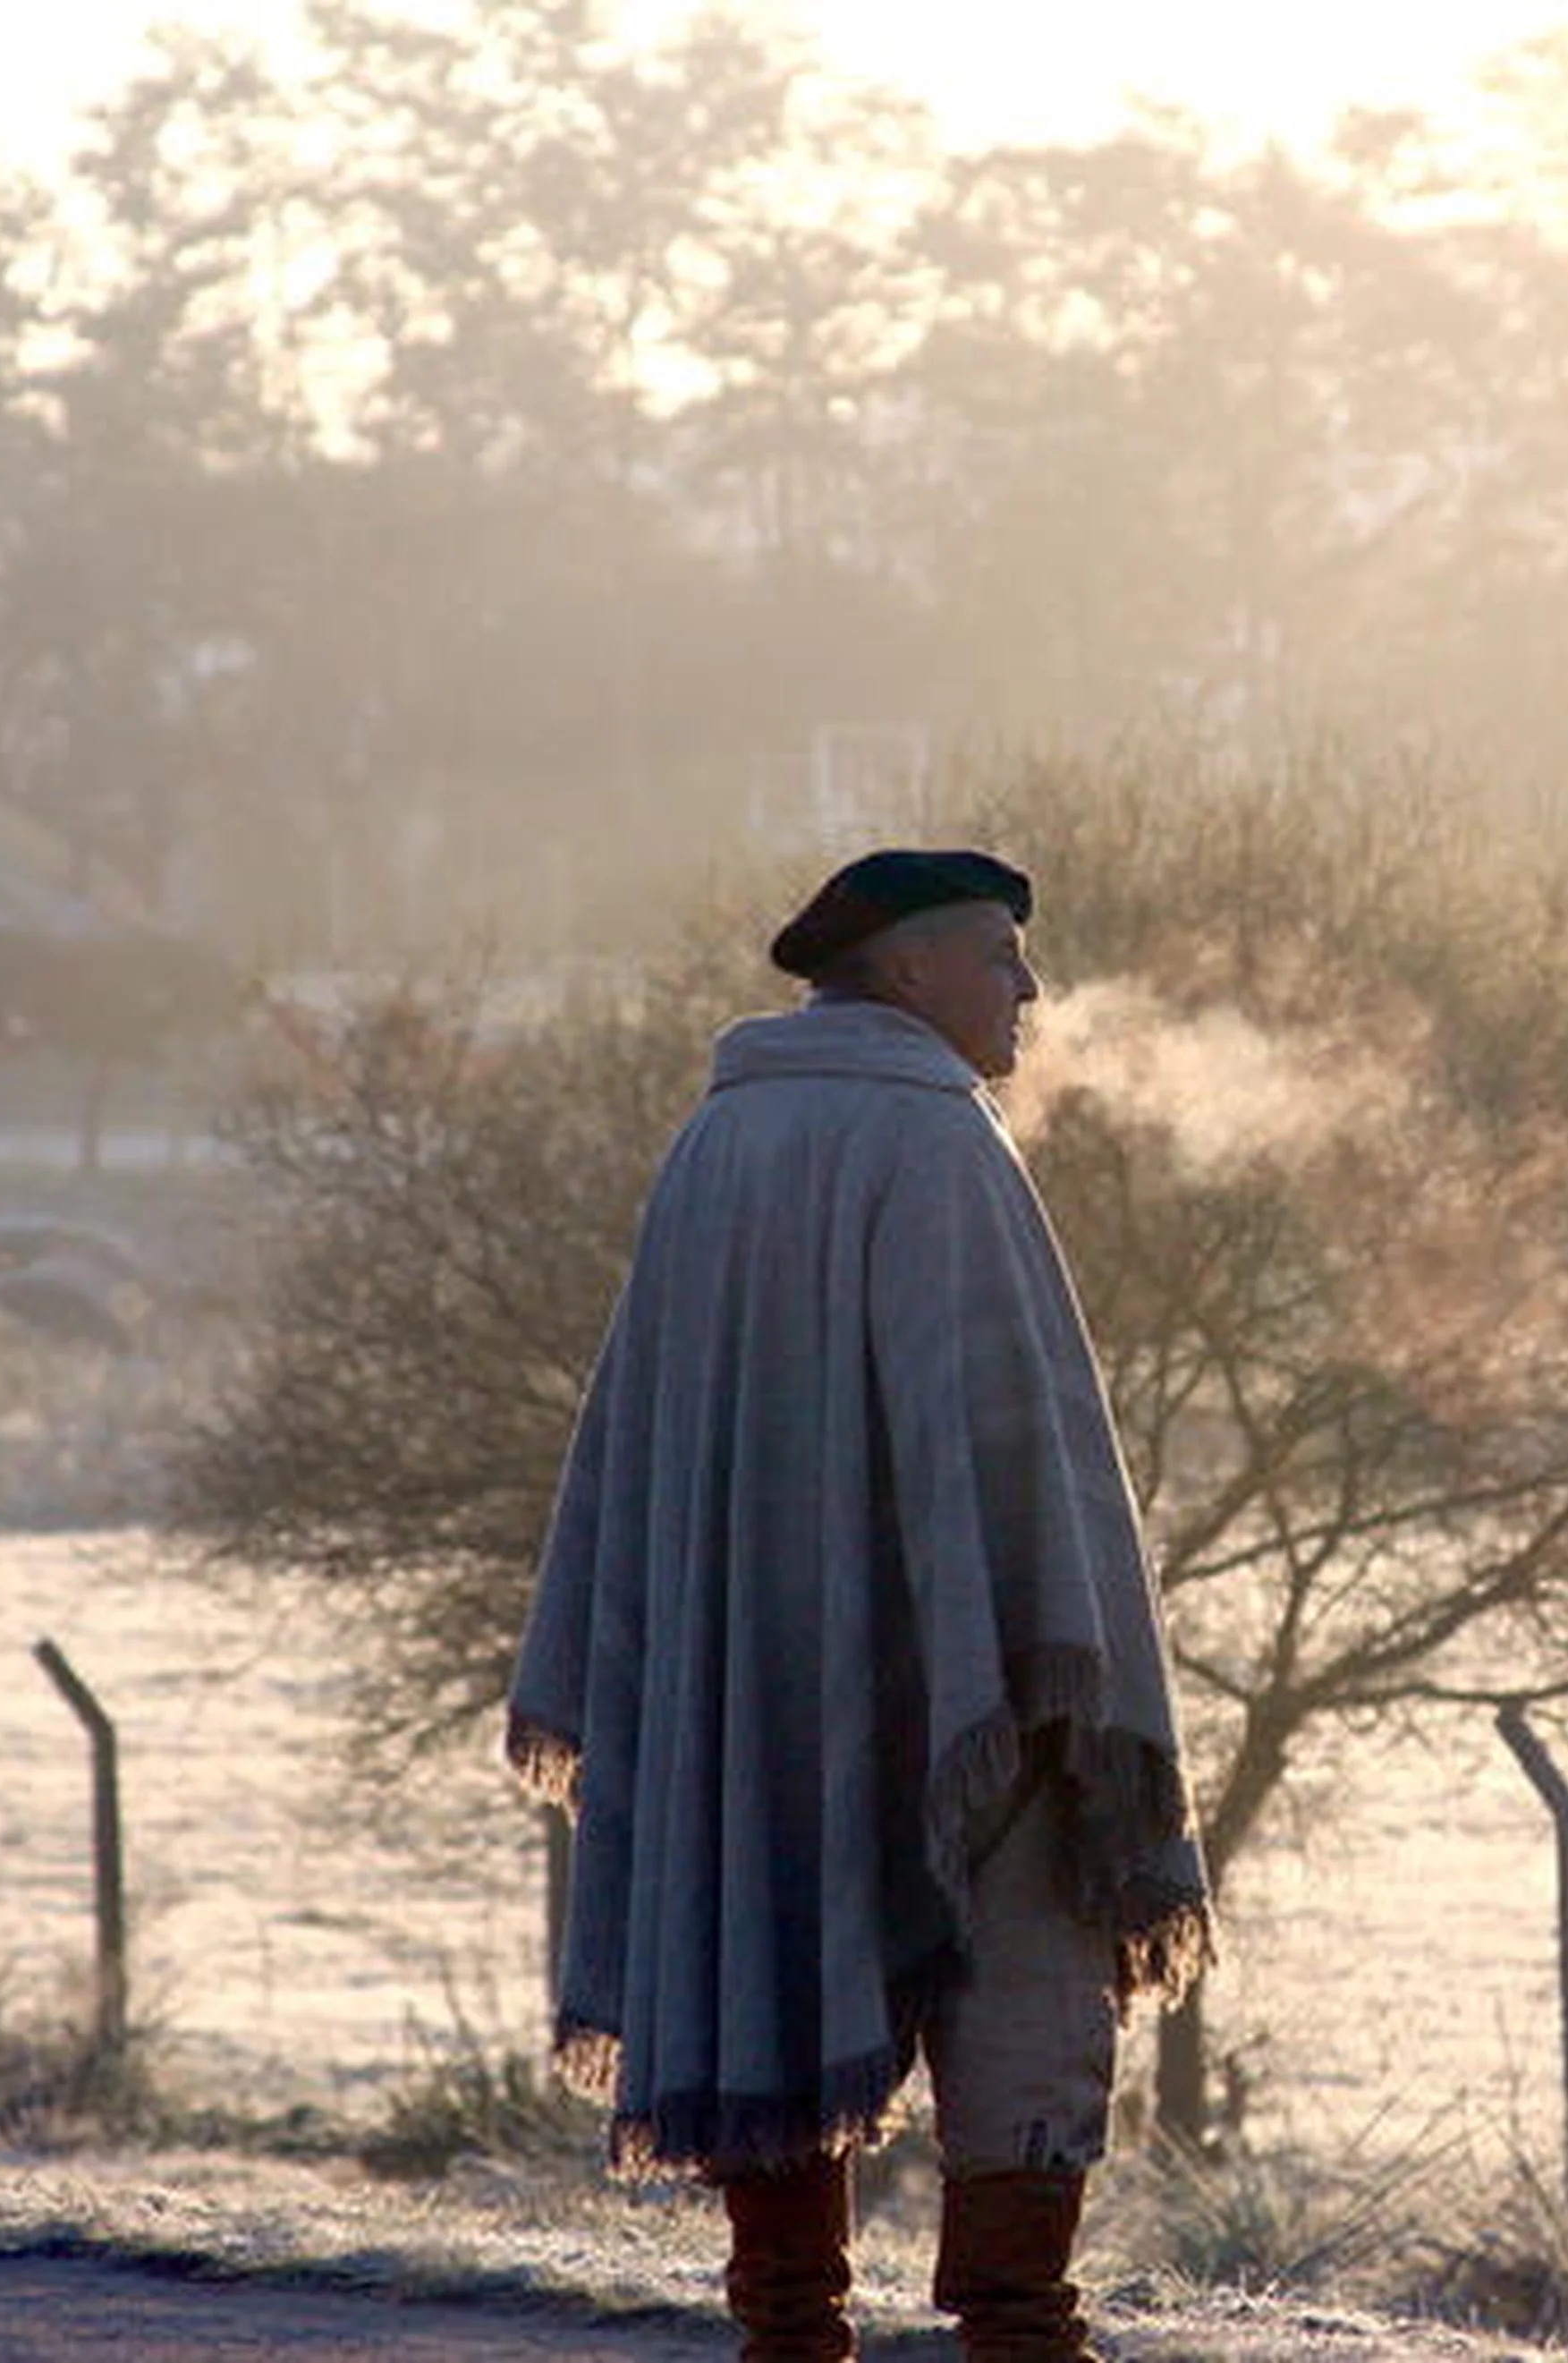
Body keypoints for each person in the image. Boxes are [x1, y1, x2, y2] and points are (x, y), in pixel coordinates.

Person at [506, 847, 1212, 2361]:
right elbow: (1028, 1468)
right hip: (987, 1701)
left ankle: (792, 2332)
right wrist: (1035, 1672)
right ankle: (1019, 2333)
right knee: (1031, 1979)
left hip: (759, 1686)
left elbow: (658, 1458)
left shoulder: (716, 1148)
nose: (1028, 989)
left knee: (775, 1956)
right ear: (906, 971)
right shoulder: (941, 1145)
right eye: (1001, 955)